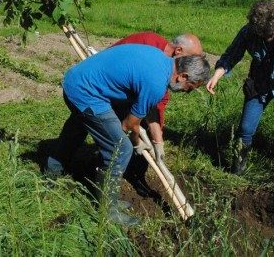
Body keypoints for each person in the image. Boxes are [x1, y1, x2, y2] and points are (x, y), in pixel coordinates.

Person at [47, 44, 210, 226]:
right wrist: (135, 142)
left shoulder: (160, 59)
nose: (187, 92)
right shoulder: (156, 83)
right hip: (85, 92)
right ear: (183, 76)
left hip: (78, 80)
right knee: (120, 149)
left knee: (79, 125)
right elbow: (129, 124)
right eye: (190, 87)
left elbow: (138, 112)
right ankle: (107, 210)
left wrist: (154, 140)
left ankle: (52, 172)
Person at [206, 0, 274, 175]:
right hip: (259, 83)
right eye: (261, 35)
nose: (265, 38)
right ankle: (237, 173)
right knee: (245, 130)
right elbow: (231, 55)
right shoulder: (249, 32)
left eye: (269, 35)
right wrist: (217, 75)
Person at [111, 32, 202, 195]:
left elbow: (156, 105)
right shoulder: (148, 44)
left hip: (133, 95)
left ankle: (135, 176)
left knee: (143, 132)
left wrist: (158, 142)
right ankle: (59, 168)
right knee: (88, 125)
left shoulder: (169, 71)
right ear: (179, 51)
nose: (193, 64)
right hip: (112, 86)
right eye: (191, 59)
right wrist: (137, 140)